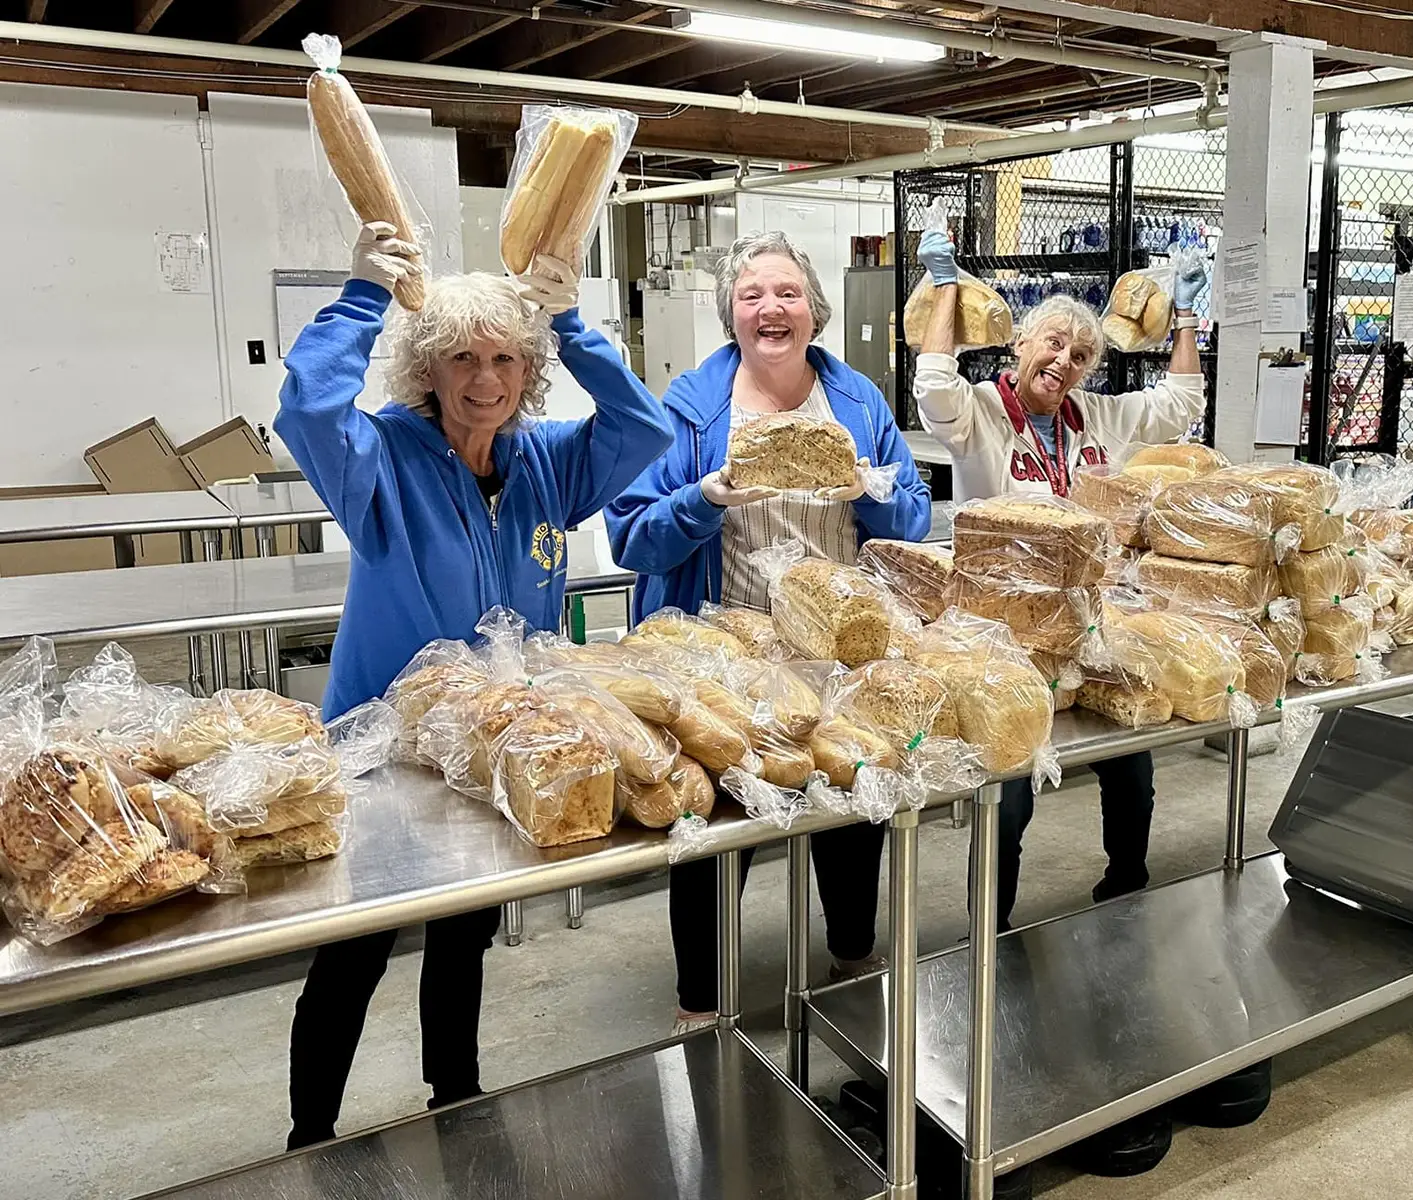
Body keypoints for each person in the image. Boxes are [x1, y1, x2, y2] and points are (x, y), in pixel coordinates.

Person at [275, 221, 674, 1149]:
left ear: (527, 372)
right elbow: (305, 408)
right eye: (461, 357)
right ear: (427, 369)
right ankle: (310, 1136)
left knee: (464, 935)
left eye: (503, 357)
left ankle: (454, 1092)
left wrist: (572, 324)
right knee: (353, 951)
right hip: (380, 754)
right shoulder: (379, 460)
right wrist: (361, 297)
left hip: (497, 746)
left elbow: (642, 427)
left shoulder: (544, 461)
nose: (485, 378)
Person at [607, 231, 932, 1029]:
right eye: (751, 295)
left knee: (856, 801)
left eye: (786, 292)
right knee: (717, 823)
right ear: (731, 318)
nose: (770, 308)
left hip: (836, 648)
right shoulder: (687, 410)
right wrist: (703, 499)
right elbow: (628, 534)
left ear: (814, 313)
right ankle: (701, 998)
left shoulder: (856, 404)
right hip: (723, 652)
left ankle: (854, 958)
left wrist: (871, 489)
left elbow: (915, 517)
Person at [911, 227, 1209, 932]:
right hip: (1005, 634)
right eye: (1051, 344)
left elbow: (1179, 405)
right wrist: (948, 288)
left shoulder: (1097, 416)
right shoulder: (981, 412)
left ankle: (1126, 886)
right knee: (1010, 790)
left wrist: (1191, 316)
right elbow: (933, 386)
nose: (1063, 362)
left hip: (1092, 622)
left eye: (1079, 355)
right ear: (1019, 346)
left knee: (1130, 763)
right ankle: (992, 925)